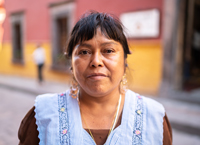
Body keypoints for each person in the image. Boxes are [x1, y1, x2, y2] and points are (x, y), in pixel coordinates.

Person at [18, 11, 172, 145]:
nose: (96, 61)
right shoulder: (44, 115)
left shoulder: (153, 118)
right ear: (71, 62)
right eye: (84, 52)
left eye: (109, 50)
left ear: (124, 60)